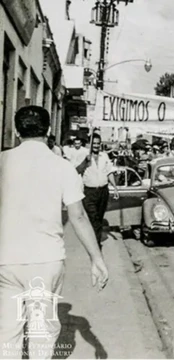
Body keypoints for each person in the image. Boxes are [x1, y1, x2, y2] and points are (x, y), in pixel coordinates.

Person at [0, 106, 108, 359]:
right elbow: (78, 216)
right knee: (41, 333)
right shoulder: (62, 167)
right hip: (45, 260)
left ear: (16, 131)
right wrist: (97, 258)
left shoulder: (2, 161)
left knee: (6, 331)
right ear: (49, 131)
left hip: (5, 258)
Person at [75, 134, 119, 247]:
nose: (95, 146)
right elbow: (77, 171)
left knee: (99, 218)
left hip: (103, 191)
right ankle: (96, 244)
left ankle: (95, 240)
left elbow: (109, 172)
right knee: (93, 217)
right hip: (89, 192)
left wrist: (115, 187)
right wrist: (85, 161)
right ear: (89, 144)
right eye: (93, 143)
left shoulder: (104, 156)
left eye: (97, 143)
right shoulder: (83, 155)